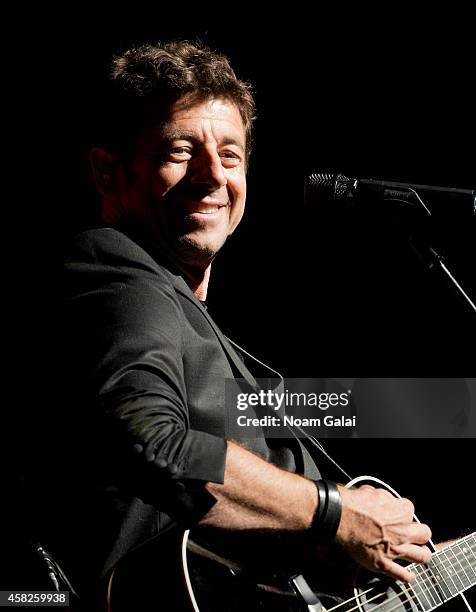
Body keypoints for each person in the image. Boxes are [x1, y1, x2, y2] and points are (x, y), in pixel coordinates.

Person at [24, 41, 433, 611]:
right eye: (181, 149)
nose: (212, 175)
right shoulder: (116, 269)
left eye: (231, 155)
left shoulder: (178, 308)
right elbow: (153, 441)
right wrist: (337, 513)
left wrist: (323, 544)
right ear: (107, 171)